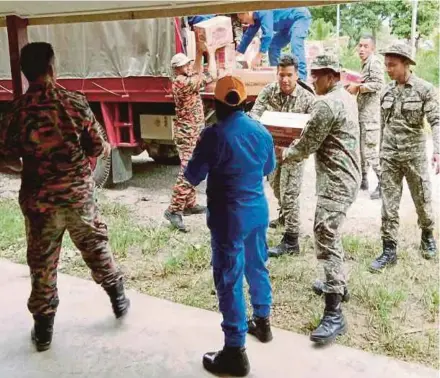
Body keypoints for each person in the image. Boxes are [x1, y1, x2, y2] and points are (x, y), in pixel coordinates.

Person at [0, 42, 130, 352]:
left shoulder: (17, 110)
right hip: (76, 195)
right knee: (94, 245)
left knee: (42, 261)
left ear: (26, 72)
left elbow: (4, 156)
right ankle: (118, 298)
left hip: (39, 198)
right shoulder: (75, 103)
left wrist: (26, 169)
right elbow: (98, 147)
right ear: (52, 67)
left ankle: (43, 332)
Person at [184, 76, 276, 376]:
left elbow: (193, 176)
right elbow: (268, 168)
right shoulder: (261, 132)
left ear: (216, 104)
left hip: (229, 218)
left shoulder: (214, 136)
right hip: (258, 212)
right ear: (246, 102)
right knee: (257, 265)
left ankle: (235, 351)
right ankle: (262, 322)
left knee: (229, 278)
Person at [279, 54, 360, 344]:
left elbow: (307, 144)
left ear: (332, 76)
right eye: (311, 74)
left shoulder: (326, 104)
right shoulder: (346, 97)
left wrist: (283, 155)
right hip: (347, 176)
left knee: (325, 234)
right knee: (331, 232)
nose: (312, 80)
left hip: (337, 181)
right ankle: (337, 283)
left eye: (317, 75)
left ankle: (334, 312)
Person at [370, 43, 439, 272]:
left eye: (393, 65)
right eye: (386, 65)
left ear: (406, 64)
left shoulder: (424, 89)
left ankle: (428, 235)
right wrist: (379, 153)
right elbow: (382, 125)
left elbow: (436, 122)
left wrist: (437, 150)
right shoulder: (386, 91)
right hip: (389, 156)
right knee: (389, 206)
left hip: (414, 157)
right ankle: (389, 250)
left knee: (423, 202)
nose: (388, 69)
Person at [249, 54, 314, 257]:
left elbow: (313, 129)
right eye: (281, 75)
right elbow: (254, 114)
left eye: (289, 75)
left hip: (294, 153)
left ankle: (292, 240)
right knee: (276, 187)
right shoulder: (269, 91)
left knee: (289, 194)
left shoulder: (307, 98)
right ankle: (286, 215)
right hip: (272, 152)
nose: (285, 80)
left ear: (297, 75)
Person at [164, 44, 214, 232]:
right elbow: (210, 76)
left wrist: (200, 55)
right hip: (187, 133)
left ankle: (189, 204)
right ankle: (173, 210)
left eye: (188, 64)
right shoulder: (182, 82)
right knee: (187, 170)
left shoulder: (185, 79)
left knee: (193, 164)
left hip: (191, 131)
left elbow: (197, 72)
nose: (188, 67)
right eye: (185, 65)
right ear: (177, 68)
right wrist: (209, 55)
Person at [346, 34, 384, 199]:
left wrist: (359, 88)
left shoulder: (374, 63)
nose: (361, 49)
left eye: (365, 46)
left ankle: (384, 182)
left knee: (369, 151)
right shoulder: (365, 63)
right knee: (361, 148)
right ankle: (363, 180)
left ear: (372, 48)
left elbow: (379, 84)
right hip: (363, 113)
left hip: (370, 116)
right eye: (360, 46)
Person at [236, 8, 312, 80]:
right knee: (273, 46)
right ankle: (278, 74)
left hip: (299, 18)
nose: (242, 22)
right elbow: (249, 34)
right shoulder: (256, 18)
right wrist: (236, 53)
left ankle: (301, 79)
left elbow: (268, 35)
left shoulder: (262, 11)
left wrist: (258, 56)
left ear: (247, 12)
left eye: (242, 19)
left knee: (296, 44)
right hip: (287, 26)